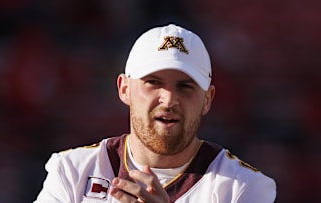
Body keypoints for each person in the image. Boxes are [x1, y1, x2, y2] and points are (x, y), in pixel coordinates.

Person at [34, 24, 276, 203]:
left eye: (185, 86)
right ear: (124, 89)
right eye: (154, 82)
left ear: (207, 99)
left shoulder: (244, 188)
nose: (169, 99)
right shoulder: (71, 170)